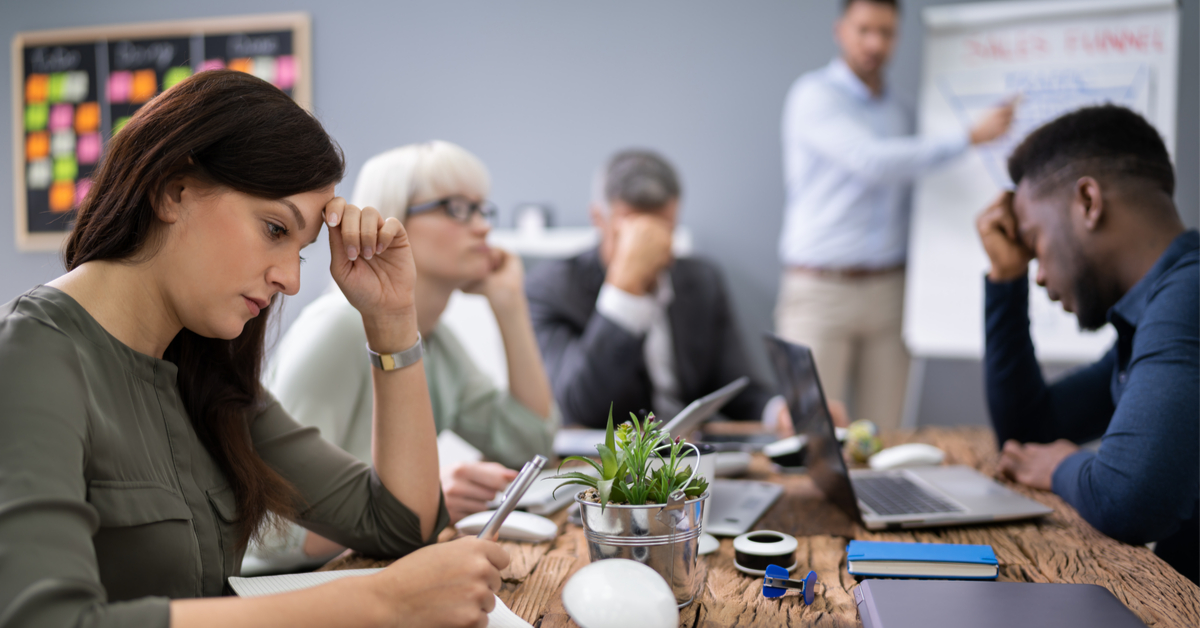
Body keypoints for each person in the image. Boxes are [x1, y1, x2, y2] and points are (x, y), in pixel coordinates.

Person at [0, 70, 508, 628]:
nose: (291, 279)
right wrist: (378, 602)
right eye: (273, 229)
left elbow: (402, 525)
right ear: (175, 191)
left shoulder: (206, 374)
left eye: (303, 250)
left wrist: (390, 319)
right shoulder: (30, 358)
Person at [247, 141, 559, 571]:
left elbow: (529, 441)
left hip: (364, 570)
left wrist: (511, 305)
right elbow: (270, 528)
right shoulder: (337, 329)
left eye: (481, 209)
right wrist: (421, 498)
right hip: (284, 590)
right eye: (455, 208)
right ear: (393, 219)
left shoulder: (437, 341)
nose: (483, 228)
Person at [976, 105, 1198, 583]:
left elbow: (1131, 501)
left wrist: (1062, 463)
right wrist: (1005, 277)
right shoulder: (1150, 316)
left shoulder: (1191, 295)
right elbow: (1027, 432)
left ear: (1088, 202)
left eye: (1034, 245)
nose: (1038, 274)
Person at [775, 0, 1015, 429]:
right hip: (820, 290)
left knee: (883, 435)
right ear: (840, 30)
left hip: (890, 291)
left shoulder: (904, 111)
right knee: (807, 434)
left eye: (886, 32)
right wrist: (968, 137)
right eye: (864, 29)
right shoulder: (813, 96)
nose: (875, 43)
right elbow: (873, 161)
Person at [526, 149, 790, 431]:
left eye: (663, 230)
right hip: (611, 463)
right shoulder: (553, 289)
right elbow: (581, 408)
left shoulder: (701, 280)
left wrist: (779, 412)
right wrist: (626, 290)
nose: (649, 246)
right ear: (598, 218)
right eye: (632, 232)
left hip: (690, 454)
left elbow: (737, 388)